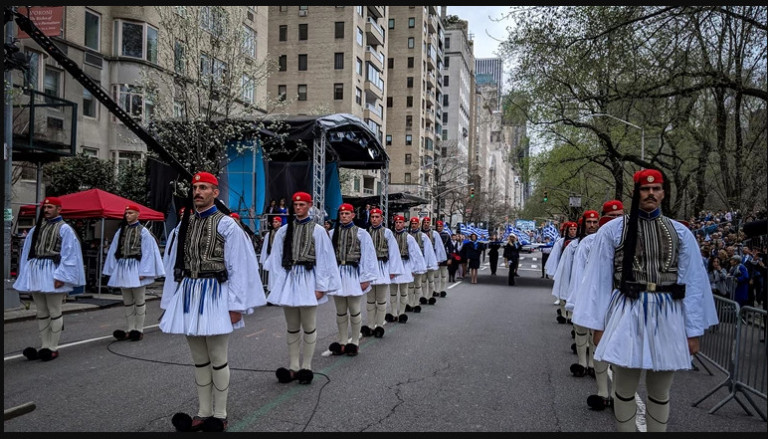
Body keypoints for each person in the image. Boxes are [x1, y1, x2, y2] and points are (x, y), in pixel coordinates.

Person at [571, 168, 718, 432]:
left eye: (656, 188)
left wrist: (693, 330)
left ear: (663, 193)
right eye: (645, 188)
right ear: (635, 192)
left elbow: (693, 284)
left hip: (667, 314)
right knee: (625, 388)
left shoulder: (680, 233)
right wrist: (598, 325)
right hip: (628, 310)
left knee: (660, 391)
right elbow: (598, 281)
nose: (650, 193)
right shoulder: (613, 231)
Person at [162, 171, 267, 432]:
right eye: (195, 188)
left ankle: (219, 414)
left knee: (218, 357)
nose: (198, 192)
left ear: (215, 193)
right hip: (189, 292)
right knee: (199, 358)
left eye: (204, 188)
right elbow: (173, 264)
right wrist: (169, 301)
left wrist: (236, 305)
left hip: (216, 292)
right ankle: (203, 412)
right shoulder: (183, 225)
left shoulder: (227, 225)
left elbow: (238, 267)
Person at [263, 191, 342, 384]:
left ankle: (306, 366)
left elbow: (324, 259)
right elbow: (276, 261)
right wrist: (278, 285)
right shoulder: (283, 231)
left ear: (309, 205)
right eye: (296, 205)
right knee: (291, 327)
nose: (298, 208)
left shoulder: (318, 231)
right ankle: (294, 367)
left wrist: (321, 286)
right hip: (290, 280)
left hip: (308, 279)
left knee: (308, 326)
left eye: (302, 205)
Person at [15, 196, 86, 362]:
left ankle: (53, 347)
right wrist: (26, 273)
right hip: (36, 270)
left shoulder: (65, 229)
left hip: (53, 270)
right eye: (45, 208)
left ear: (59, 209)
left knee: (54, 310)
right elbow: (27, 252)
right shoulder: (36, 228)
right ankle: (44, 345)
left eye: (50, 207)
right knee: (41, 311)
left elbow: (69, 255)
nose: (46, 210)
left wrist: (61, 276)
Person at [102, 203, 165, 342]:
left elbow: (148, 252)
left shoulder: (143, 232)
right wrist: (112, 269)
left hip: (136, 267)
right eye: (126, 213)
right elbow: (114, 250)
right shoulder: (121, 231)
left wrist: (144, 271)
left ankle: (139, 329)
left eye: (130, 213)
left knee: (139, 299)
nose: (128, 215)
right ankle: (130, 328)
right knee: (127, 300)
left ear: (137, 215)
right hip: (123, 267)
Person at [327, 203, 378, 355]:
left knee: (354, 309)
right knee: (340, 311)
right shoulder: (331, 233)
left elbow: (368, 257)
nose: (344, 216)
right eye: (342, 214)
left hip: (354, 273)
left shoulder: (362, 234)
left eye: (347, 214)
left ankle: (354, 342)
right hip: (338, 273)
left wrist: (366, 278)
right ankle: (342, 341)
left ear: (353, 215)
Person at [362, 207, 404, 338]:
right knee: (370, 300)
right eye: (372, 217)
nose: (374, 219)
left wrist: (393, 270)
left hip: (382, 267)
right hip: (369, 269)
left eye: (377, 217)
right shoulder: (365, 232)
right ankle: (370, 325)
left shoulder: (388, 233)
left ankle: (379, 325)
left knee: (380, 299)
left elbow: (394, 252)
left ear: (381, 218)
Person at [386, 215, 427, 324]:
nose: (398, 224)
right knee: (393, 292)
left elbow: (414, 254)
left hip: (405, 265)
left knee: (404, 291)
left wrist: (414, 269)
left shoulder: (409, 237)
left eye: (400, 222)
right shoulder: (390, 236)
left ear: (404, 224)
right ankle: (393, 313)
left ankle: (401, 313)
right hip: (393, 265)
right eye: (396, 222)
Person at [407, 217, 438, 311]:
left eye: (415, 224)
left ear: (418, 225)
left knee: (418, 283)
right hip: (410, 263)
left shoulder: (423, 236)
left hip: (420, 263)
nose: (413, 225)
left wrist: (427, 263)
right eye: (412, 224)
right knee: (410, 285)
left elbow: (428, 251)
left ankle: (416, 303)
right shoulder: (407, 235)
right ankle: (410, 303)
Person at [551, 221, 579, 322]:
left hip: (575, 269)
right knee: (563, 290)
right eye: (571, 229)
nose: (573, 231)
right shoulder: (562, 242)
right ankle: (563, 313)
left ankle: (571, 314)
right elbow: (557, 255)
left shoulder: (580, 242)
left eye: (575, 229)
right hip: (564, 268)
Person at [420, 217, 448, 303]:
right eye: (424, 222)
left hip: (432, 259)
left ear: (430, 223)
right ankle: (424, 296)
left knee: (431, 279)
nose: (426, 224)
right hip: (423, 259)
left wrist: (438, 259)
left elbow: (439, 247)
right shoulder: (419, 234)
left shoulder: (434, 234)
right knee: (423, 279)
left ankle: (430, 296)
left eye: (427, 222)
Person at [259, 215, 286, 302]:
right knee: (272, 277)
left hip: (280, 257)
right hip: (272, 257)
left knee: (279, 275)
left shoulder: (283, 232)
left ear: (280, 223)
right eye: (274, 222)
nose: (274, 223)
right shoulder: (269, 234)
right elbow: (266, 246)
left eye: (276, 222)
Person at [435, 221, 454, 296]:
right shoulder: (433, 234)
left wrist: (450, 258)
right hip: (435, 257)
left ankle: (442, 290)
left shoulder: (446, 235)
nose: (439, 228)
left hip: (444, 256)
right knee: (436, 275)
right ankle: (436, 290)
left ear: (442, 227)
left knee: (443, 275)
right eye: (438, 226)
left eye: (440, 226)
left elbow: (450, 247)